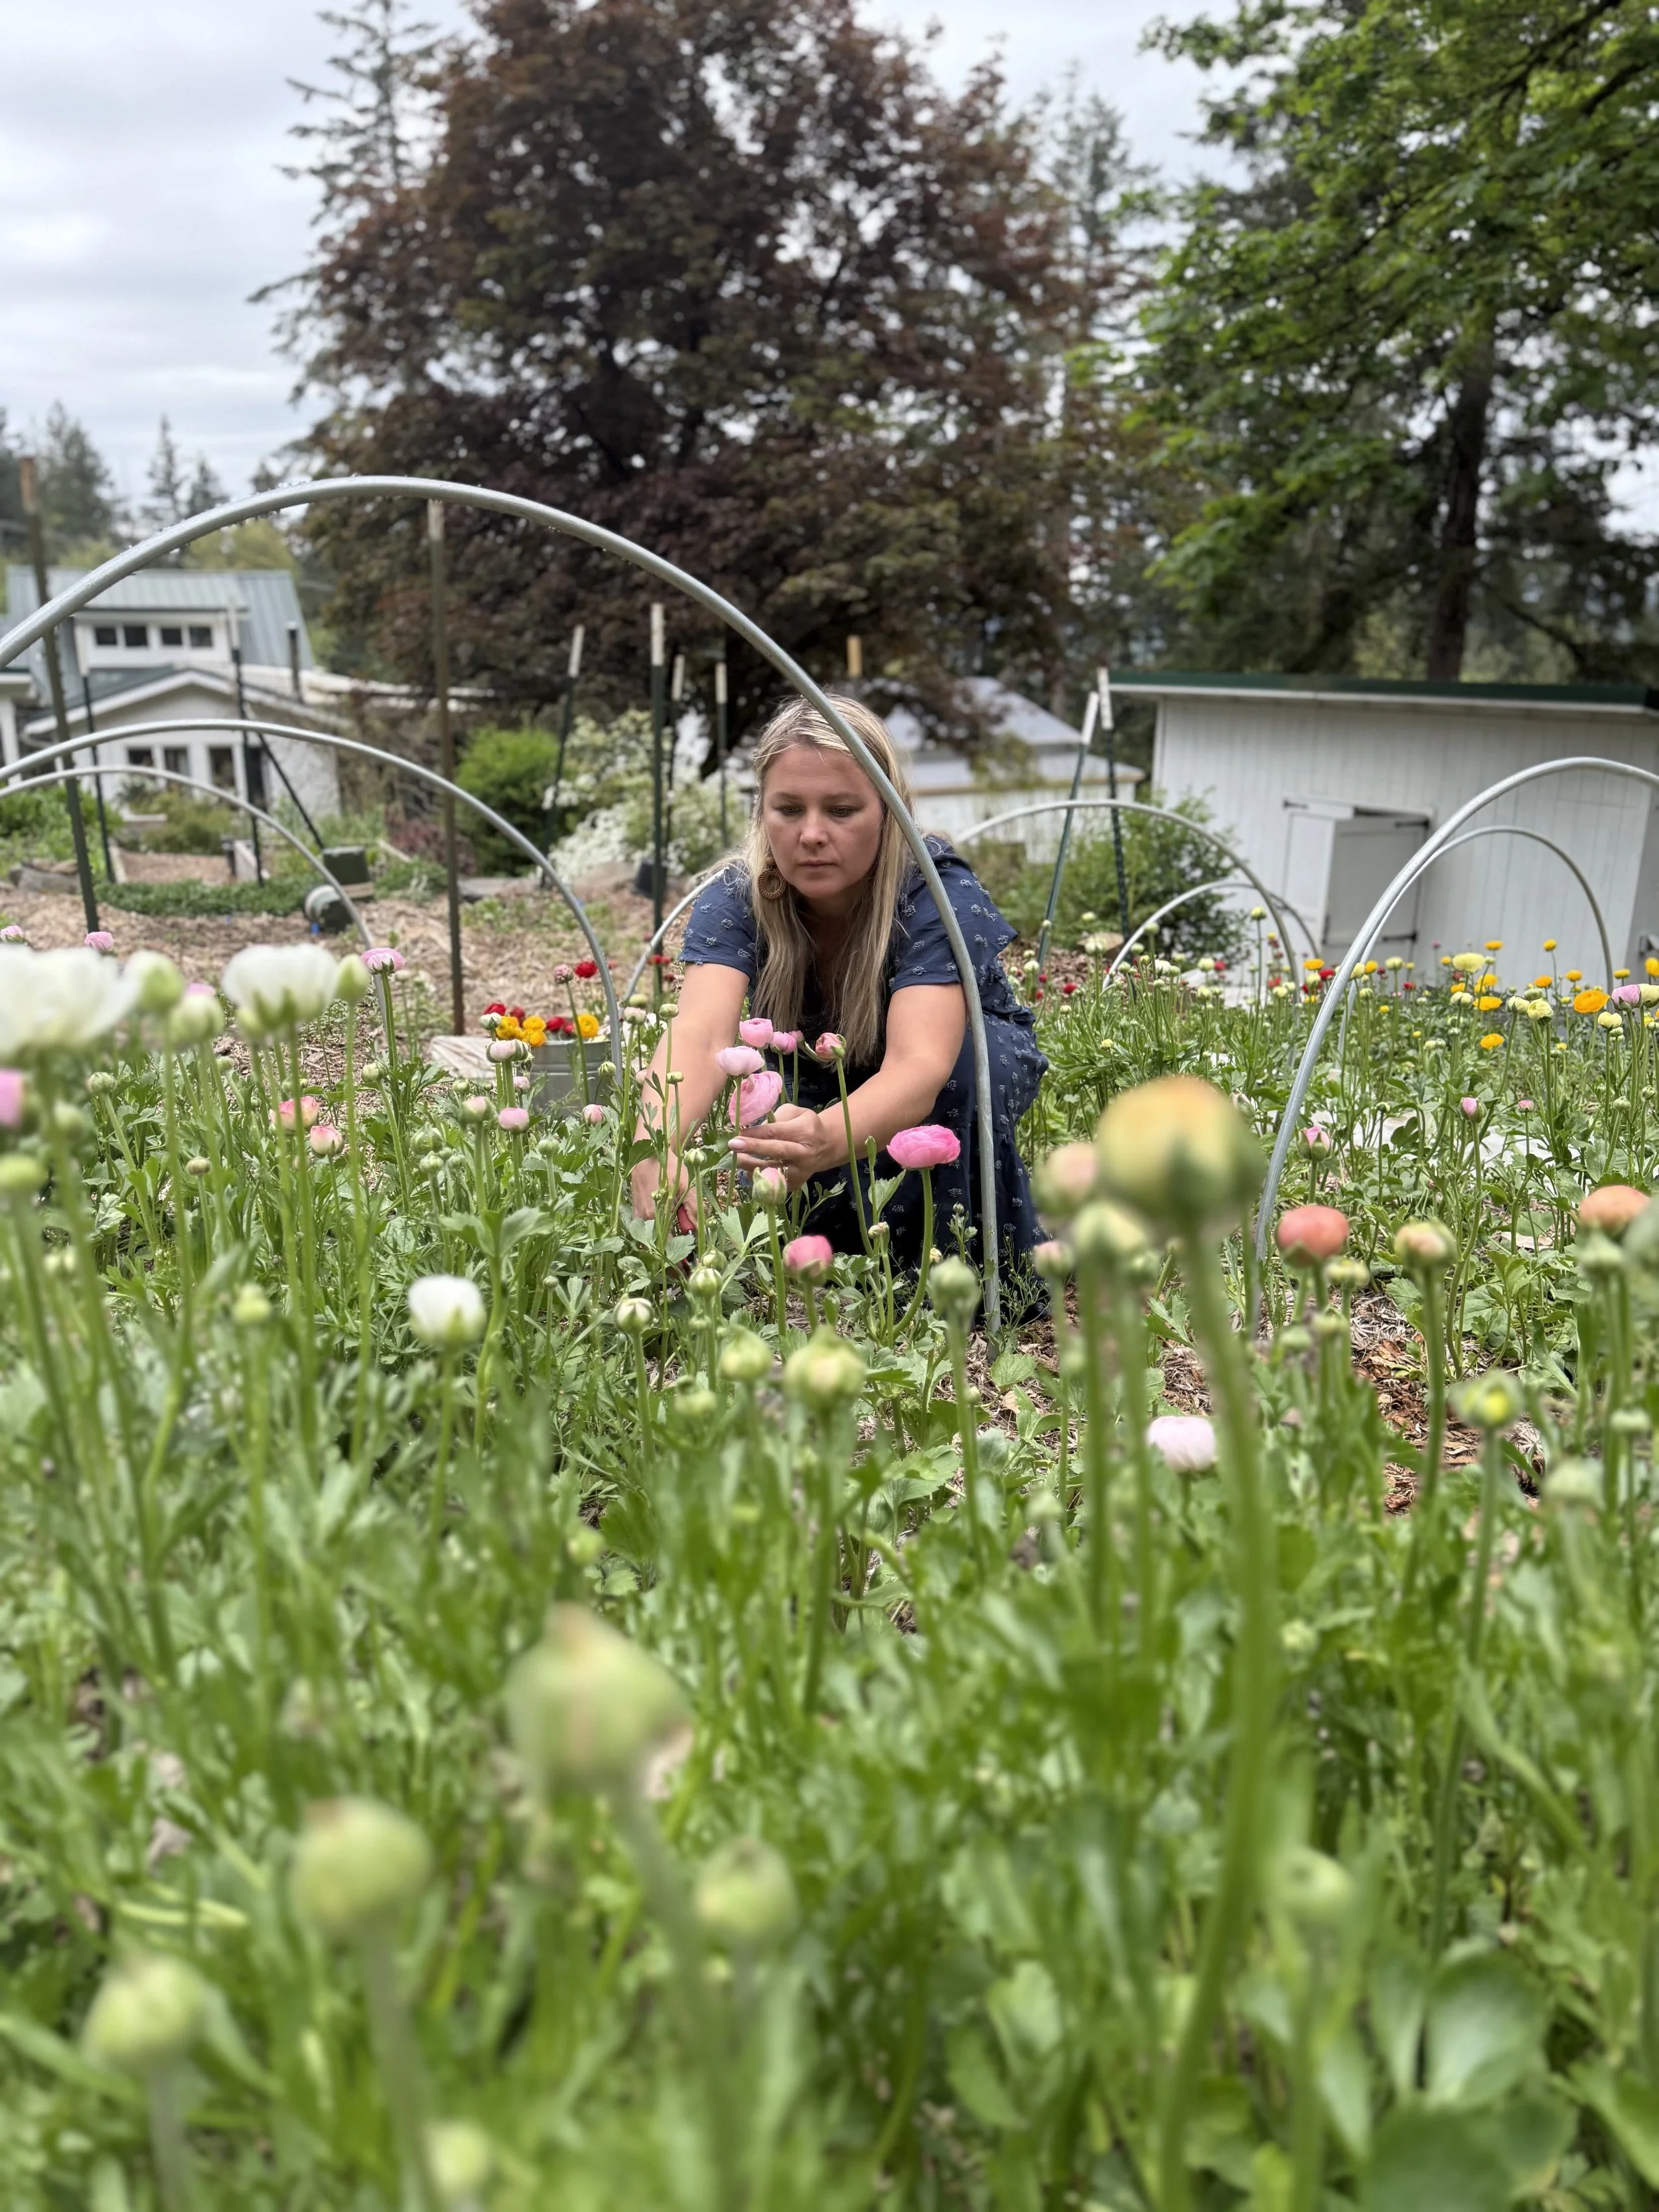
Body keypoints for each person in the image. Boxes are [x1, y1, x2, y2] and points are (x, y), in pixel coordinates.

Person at [630, 693, 1047, 1295]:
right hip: (817, 1060)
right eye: (788, 809)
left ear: (890, 810)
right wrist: (655, 1144)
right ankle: (830, 1257)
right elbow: (700, 1033)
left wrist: (823, 1140)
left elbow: (920, 1064)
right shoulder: (741, 894)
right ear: (762, 811)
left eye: (842, 809)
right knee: (781, 1112)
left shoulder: (934, 892)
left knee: (968, 1073)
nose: (811, 834)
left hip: (951, 1061)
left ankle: (965, 1274)